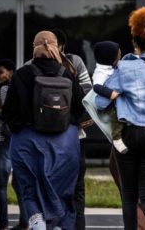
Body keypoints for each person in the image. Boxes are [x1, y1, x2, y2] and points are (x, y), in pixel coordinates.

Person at [96, 7, 145, 230]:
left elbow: (100, 102)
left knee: (129, 195)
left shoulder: (124, 67)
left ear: (134, 41)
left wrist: (118, 95)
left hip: (128, 135)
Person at [1, 31, 89, 230]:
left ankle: (37, 220)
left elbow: (8, 112)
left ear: (34, 47)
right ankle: (57, 224)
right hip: (64, 145)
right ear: (56, 47)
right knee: (61, 190)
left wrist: (19, 128)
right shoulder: (67, 73)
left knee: (29, 188)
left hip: (27, 142)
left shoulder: (22, 74)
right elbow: (81, 109)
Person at [49, 29, 91, 230]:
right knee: (76, 191)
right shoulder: (75, 63)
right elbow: (88, 94)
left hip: (47, 137)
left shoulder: (30, 66)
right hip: (74, 135)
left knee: (51, 188)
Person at [0, 59, 28, 230]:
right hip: (21, 140)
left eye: (1, 72)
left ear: (11, 72)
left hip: (6, 141)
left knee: (1, 184)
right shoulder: (22, 88)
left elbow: (6, 114)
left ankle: (3, 223)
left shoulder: (5, 88)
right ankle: (25, 222)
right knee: (18, 184)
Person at [91, 41, 127, 153]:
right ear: (110, 58)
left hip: (116, 100)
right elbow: (96, 86)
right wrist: (110, 93)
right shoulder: (100, 72)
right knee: (117, 116)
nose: (119, 58)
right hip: (108, 105)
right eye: (118, 56)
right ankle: (116, 138)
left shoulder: (114, 67)